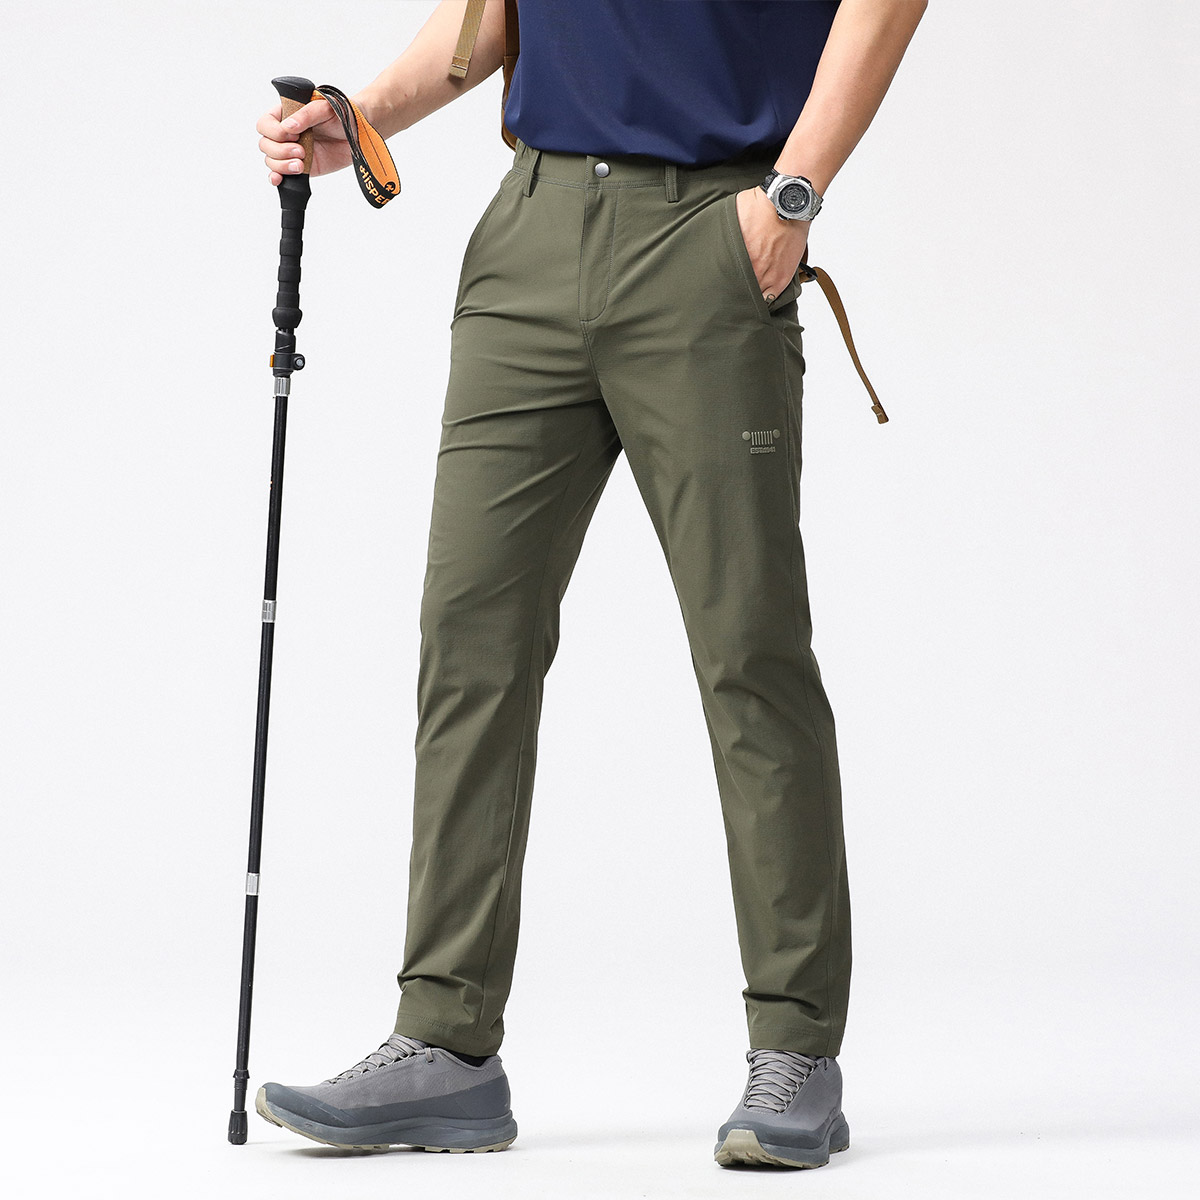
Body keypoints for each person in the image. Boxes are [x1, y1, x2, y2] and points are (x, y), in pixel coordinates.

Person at [253, 0, 927, 1170]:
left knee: (749, 649)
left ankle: (795, 1049)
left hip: (712, 228)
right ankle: (445, 1043)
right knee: (469, 638)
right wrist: (363, 116)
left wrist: (793, 196)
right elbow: (495, 15)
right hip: (531, 230)